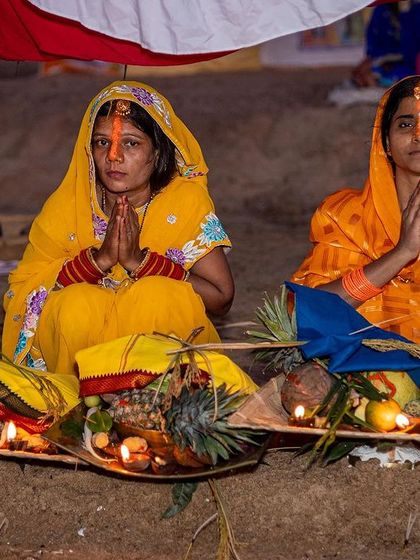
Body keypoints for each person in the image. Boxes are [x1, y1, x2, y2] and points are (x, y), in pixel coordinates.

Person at [2, 81, 249, 390]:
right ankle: (80, 414)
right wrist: (98, 261)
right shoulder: (67, 208)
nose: (113, 156)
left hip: (161, 388)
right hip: (78, 381)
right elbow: (21, 292)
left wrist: (140, 262)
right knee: (76, 303)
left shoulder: (182, 203)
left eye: (131, 143)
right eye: (102, 142)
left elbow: (221, 298)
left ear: (158, 152)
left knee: (156, 296)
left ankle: (157, 411)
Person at [292, 75, 420, 344]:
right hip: (366, 367)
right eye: (406, 124)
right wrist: (403, 252)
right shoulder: (345, 215)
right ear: (385, 142)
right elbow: (312, 311)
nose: (418, 134)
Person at [352, 2, 420, 88]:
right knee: (362, 74)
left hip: (408, 64)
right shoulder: (381, 10)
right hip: (384, 61)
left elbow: (411, 50)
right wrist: (371, 60)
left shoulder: (415, 10)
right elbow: (373, 41)